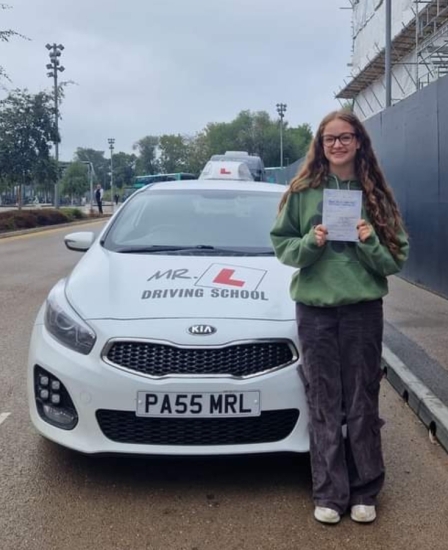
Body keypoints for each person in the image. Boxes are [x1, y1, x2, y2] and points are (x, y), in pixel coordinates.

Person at [270, 110, 409, 525]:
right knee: (324, 401)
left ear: (359, 142)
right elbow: (282, 247)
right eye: (329, 139)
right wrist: (310, 244)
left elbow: (395, 259)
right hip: (314, 311)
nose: (337, 145)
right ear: (320, 144)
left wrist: (368, 241)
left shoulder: (376, 195)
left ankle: (366, 490)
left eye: (345, 137)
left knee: (362, 400)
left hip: (362, 311)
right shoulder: (302, 191)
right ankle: (330, 493)